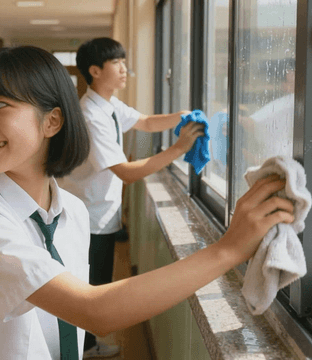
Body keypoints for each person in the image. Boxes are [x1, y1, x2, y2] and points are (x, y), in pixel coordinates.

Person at [0, 46, 294, 360]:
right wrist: (228, 250)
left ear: (52, 121)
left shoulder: (71, 212)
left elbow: (147, 121)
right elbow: (94, 311)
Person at [57, 37, 205, 357]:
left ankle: (87, 344)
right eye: (117, 63)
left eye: (125, 62)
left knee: (96, 279)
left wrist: (181, 117)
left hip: (101, 211)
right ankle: (82, 347)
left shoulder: (108, 105)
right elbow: (126, 172)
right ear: (95, 71)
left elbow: (146, 122)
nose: (125, 69)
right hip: (89, 216)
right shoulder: (91, 116)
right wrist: (177, 149)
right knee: (91, 284)